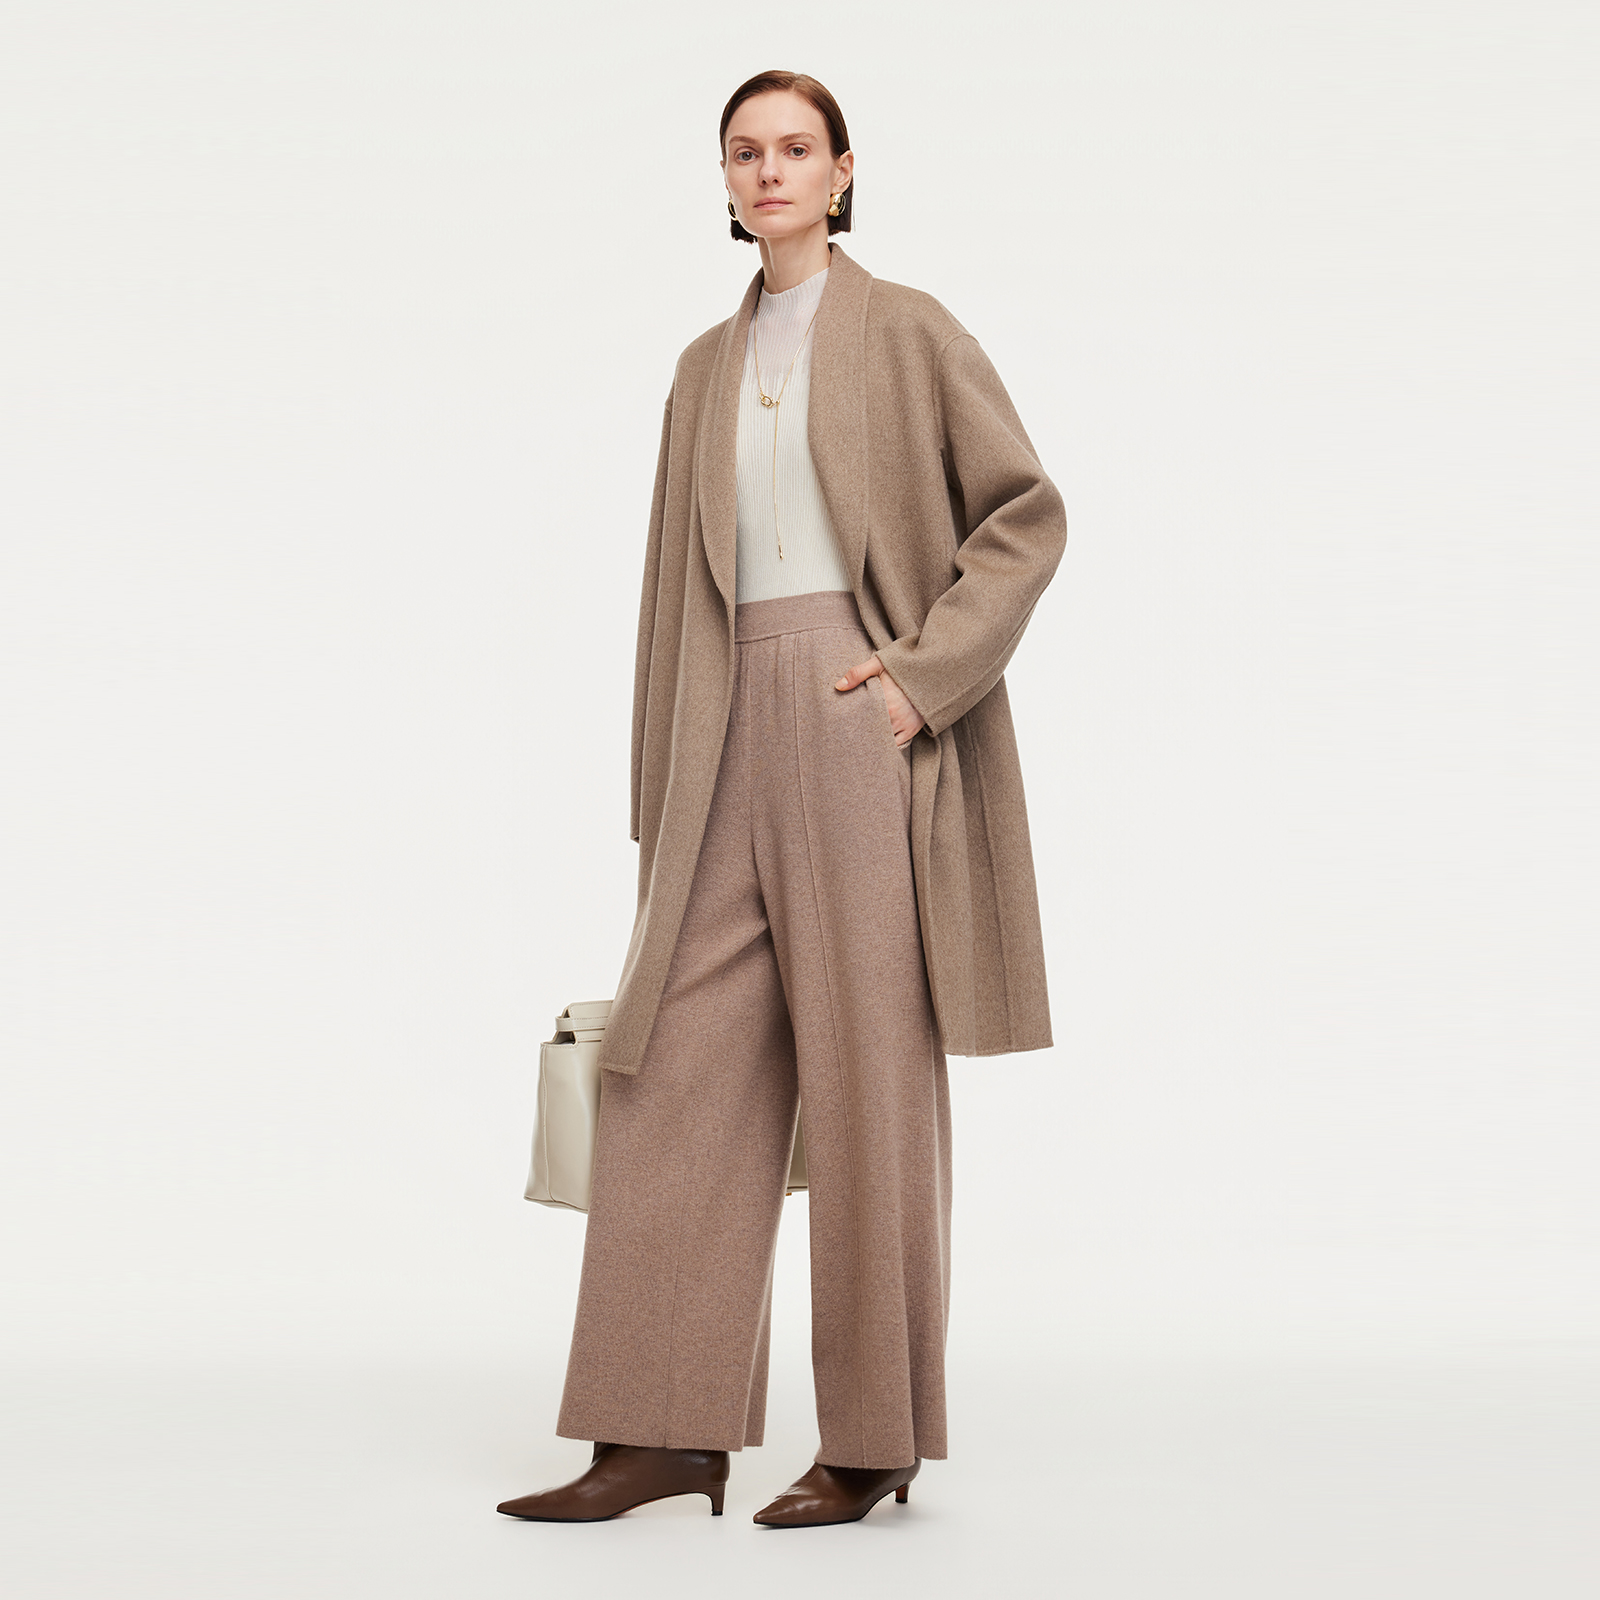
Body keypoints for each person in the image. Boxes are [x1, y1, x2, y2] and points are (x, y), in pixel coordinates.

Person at [497, 68, 1067, 1528]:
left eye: (795, 149)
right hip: (718, 720)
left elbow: (1025, 517)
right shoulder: (703, 364)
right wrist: (658, 785)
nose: (769, 171)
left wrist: (915, 684)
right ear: (726, 180)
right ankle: (659, 1430)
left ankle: (874, 1439)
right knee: (671, 1069)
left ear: (842, 171)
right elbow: (667, 594)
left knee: (872, 1078)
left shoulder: (912, 330)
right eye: (745, 151)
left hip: (852, 710)